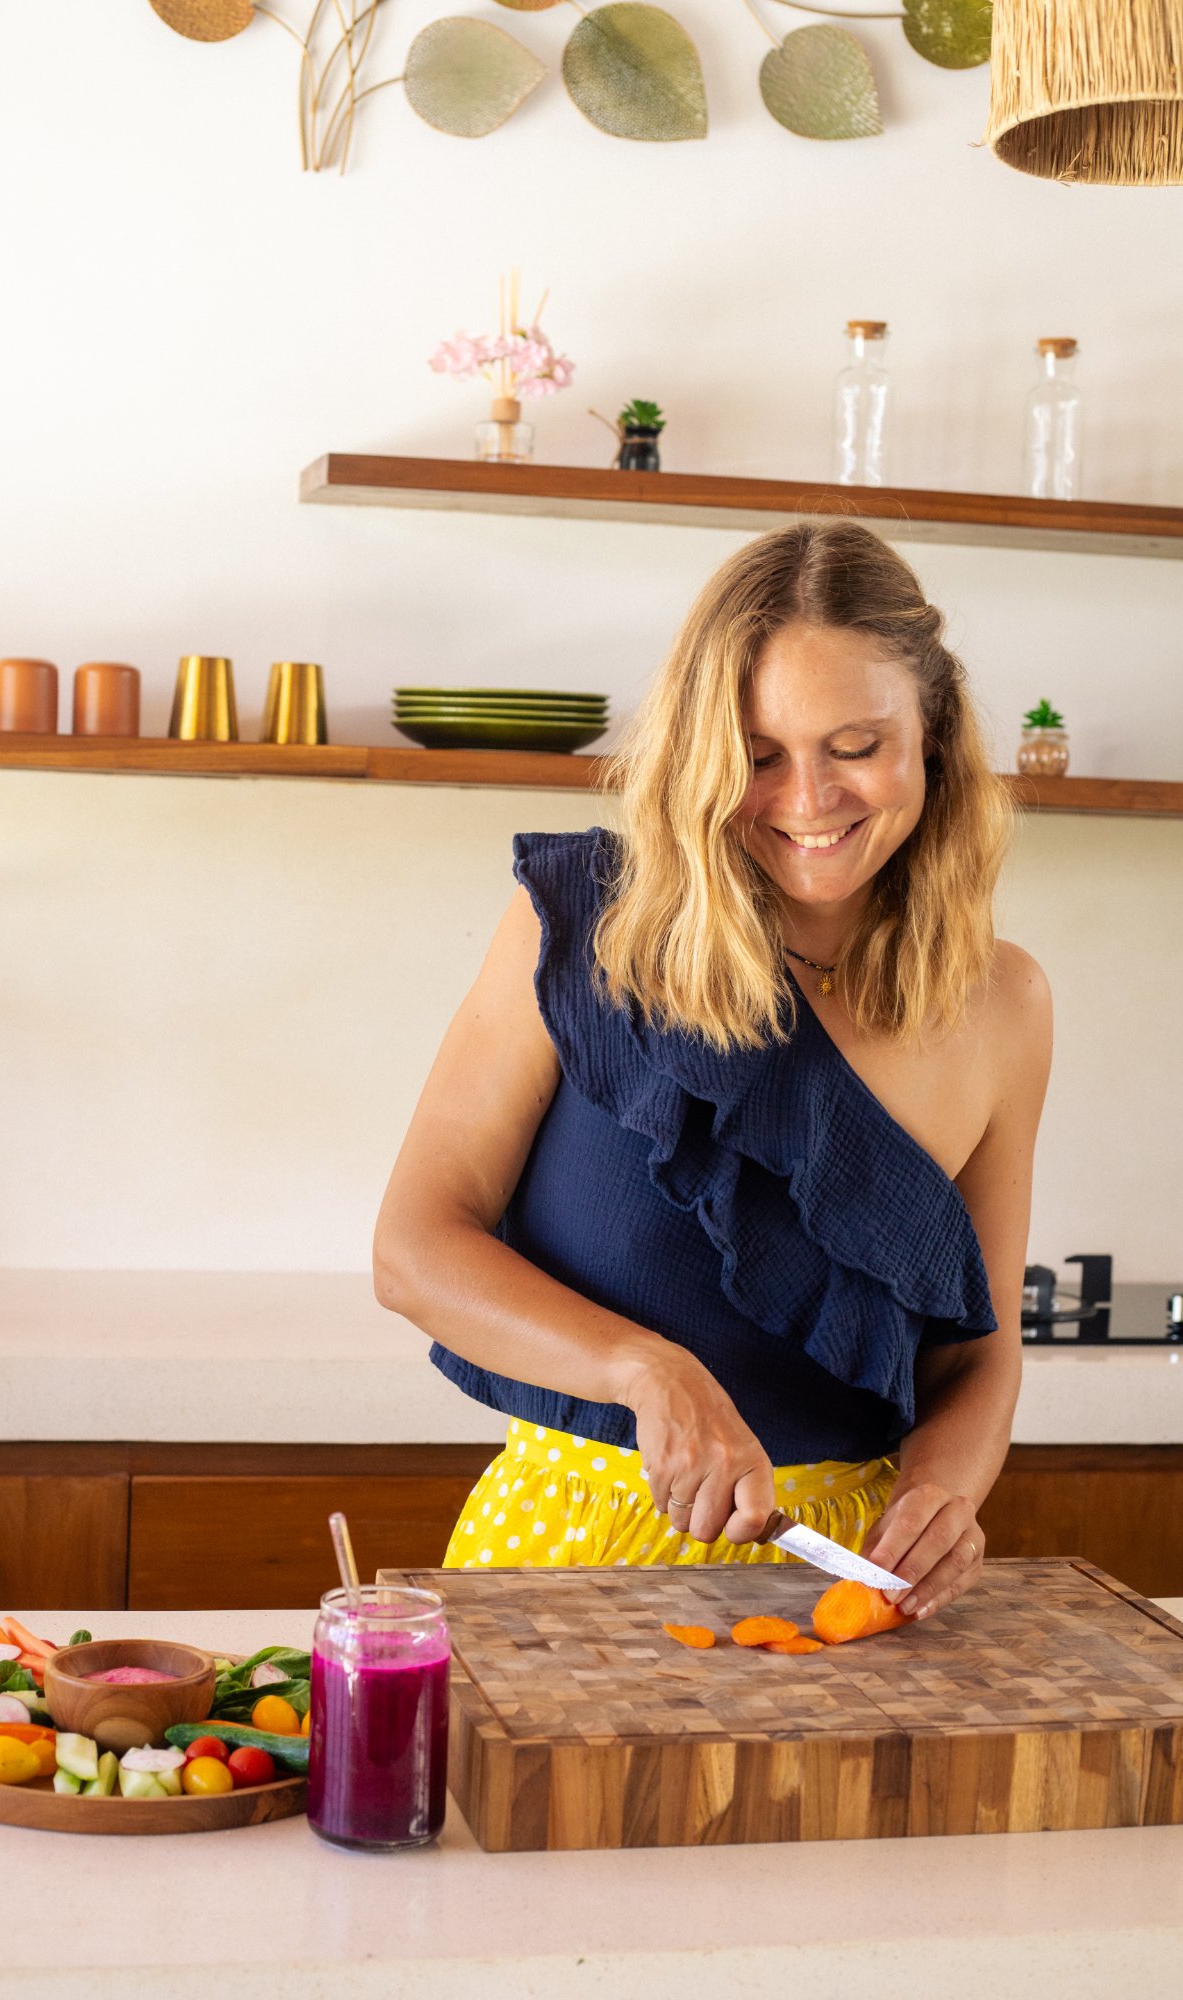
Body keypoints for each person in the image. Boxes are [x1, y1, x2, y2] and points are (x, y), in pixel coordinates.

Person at [374, 520, 1052, 1623]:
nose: (806, 798)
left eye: (855, 744)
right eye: (759, 752)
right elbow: (413, 1249)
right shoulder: (587, 920)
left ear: (930, 734)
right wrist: (648, 1370)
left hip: (841, 1587)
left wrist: (942, 1491)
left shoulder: (1004, 1003)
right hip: (568, 1551)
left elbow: (976, 1360)